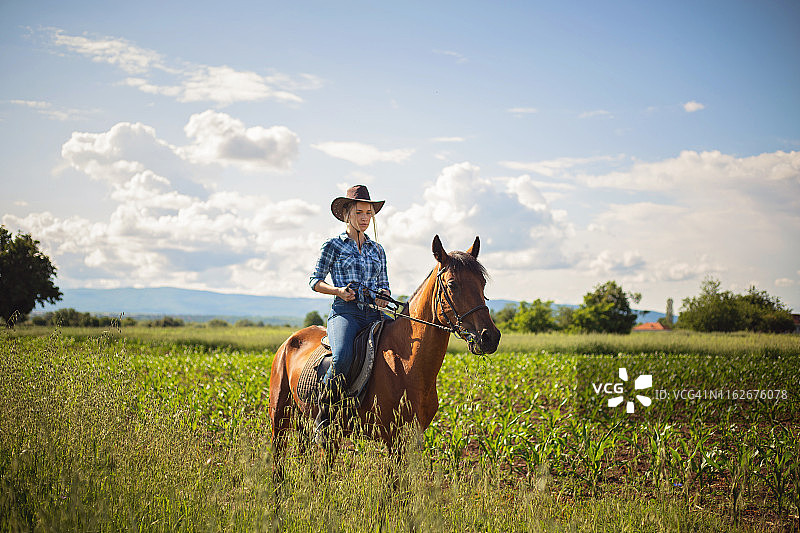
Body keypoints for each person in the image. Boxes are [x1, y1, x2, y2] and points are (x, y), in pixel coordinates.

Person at [309, 185, 391, 445]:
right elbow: (314, 281)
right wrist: (338, 291)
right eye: (359, 213)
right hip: (346, 312)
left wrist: (383, 295)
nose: (365, 218)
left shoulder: (378, 249)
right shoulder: (333, 245)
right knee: (342, 357)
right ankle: (324, 417)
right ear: (347, 214)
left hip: (374, 313)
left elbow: (385, 284)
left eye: (369, 213)